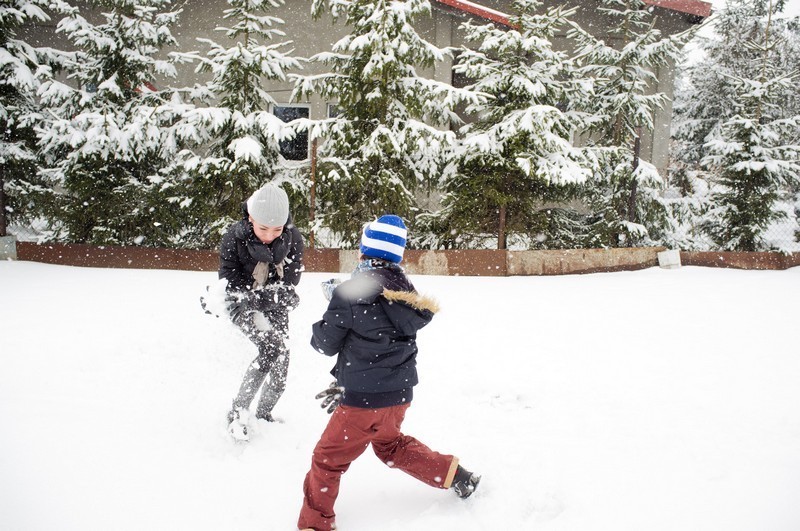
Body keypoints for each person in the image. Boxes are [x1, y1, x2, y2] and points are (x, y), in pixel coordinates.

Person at [297, 214, 480, 531]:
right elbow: (380, 321)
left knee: (327, 459)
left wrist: (333, 308)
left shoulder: (350, 293)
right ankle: (455, 475)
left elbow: (325, 342)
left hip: (360, 401)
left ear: (363, 253)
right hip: (397, 396)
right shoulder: (407, 294)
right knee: (390, 446)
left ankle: (315, 524)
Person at [219, 182, 304, 441]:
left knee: (282, 361)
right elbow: (230, 283)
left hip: (272, 302)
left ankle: (264, 414)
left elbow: (290, 284)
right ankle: (238, 412)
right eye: (263, 228)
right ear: (250, 218)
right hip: (241, 303)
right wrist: (261, 299)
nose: (269, 235)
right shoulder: (233, 238)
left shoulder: (293, 239)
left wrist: (276, 297)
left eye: (277, 229)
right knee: (270, 349)